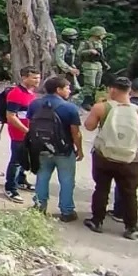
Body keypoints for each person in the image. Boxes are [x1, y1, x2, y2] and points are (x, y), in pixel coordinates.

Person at [83, 77, 138, 240]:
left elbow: (89, 126)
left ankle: (97, 221)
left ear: (112, 90)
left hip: (104, 157)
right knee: (129, 193)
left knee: (102, 188)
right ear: (130, 91)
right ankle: (131, 227)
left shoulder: (101, 107)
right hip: (130, 160)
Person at [27, 76, 83, 222]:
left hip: (41, 148)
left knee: (42, 177)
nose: (69, 90)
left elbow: (30, 125)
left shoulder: (35, 104)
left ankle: (39, 207)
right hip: (64, 150)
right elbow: (75, 133)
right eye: (67, 87)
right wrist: (80, 150)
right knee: (66, 180)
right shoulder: (69, 108)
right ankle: (67, 211)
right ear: (58, 90)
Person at [111, 78, 138, 225]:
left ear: (131, 90)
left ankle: (120, 212)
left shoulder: (121, 105)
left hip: (125, 149)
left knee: (124, 183)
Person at [2, 67, 40, 203]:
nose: (37, 80)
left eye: (38, 78)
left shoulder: (31, 92)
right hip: (19, 133)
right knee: (16, 160)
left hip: (28, 132)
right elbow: (11, 116)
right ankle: (10, 187)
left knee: (25, 158)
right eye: (34, 78)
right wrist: (26, 130)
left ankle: (21, 179)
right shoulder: (16, 94)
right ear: (24, 78)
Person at [77, 26, 108, 107]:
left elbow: (101, 55)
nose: (103, 36)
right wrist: (89, 51)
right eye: (102, 34)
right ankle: (86, 102)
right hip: (89, 64)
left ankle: (93, 101)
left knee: (97, 85)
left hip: (98, 64)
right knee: (90, 84)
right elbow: (79, 53)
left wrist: (104, 63)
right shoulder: (86, 43)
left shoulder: (100, 43)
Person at [54, 28, 81, 95]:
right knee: (66, 89)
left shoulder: (70, 46)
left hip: (69, 72)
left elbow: (71, 60)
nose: (74, 40)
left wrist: (74, 69)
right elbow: (59, 60)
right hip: (63, 72)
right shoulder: (62, 46)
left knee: (75, 89)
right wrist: (69, 69)